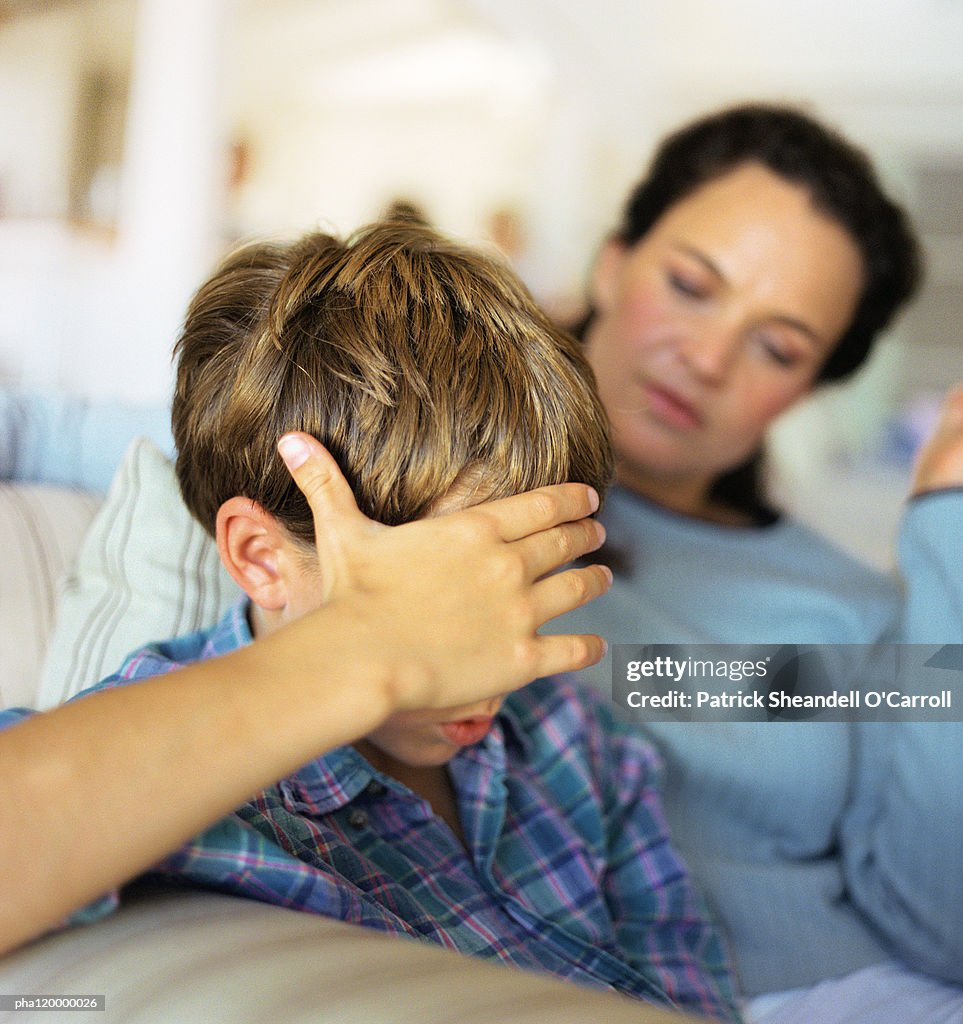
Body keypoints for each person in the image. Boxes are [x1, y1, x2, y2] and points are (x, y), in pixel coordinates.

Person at [0, 222, 739, 1022]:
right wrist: (367, 648)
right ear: (260, 557)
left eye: (523, 577)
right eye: (451, 588)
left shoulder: (574, 743)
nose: (503, 657)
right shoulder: (179, 779)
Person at [551, 103, 963, 1017]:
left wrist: (961, 507)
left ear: (806, 389)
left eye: (777, 346)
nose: (707, 356)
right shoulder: (448, 501)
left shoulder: (843, 608)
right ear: (614, 261)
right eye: (691, 285)